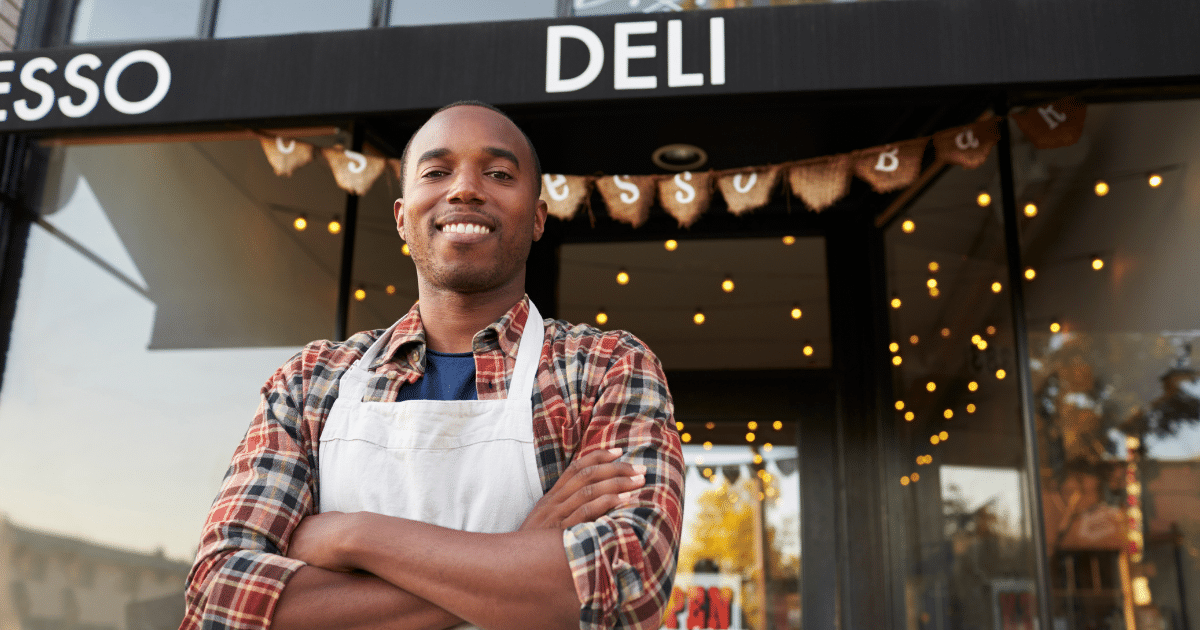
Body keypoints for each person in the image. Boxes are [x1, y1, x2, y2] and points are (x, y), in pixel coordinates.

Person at [181, 101, 684, 630]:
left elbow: (627, 582)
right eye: (437, 172)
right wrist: (520, 554)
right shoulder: (310, 381)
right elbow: (220, 599)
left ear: (538, 218)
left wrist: (354, 536)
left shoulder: (606, 369)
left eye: (498, 173)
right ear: (402, 217)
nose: (465, 189)